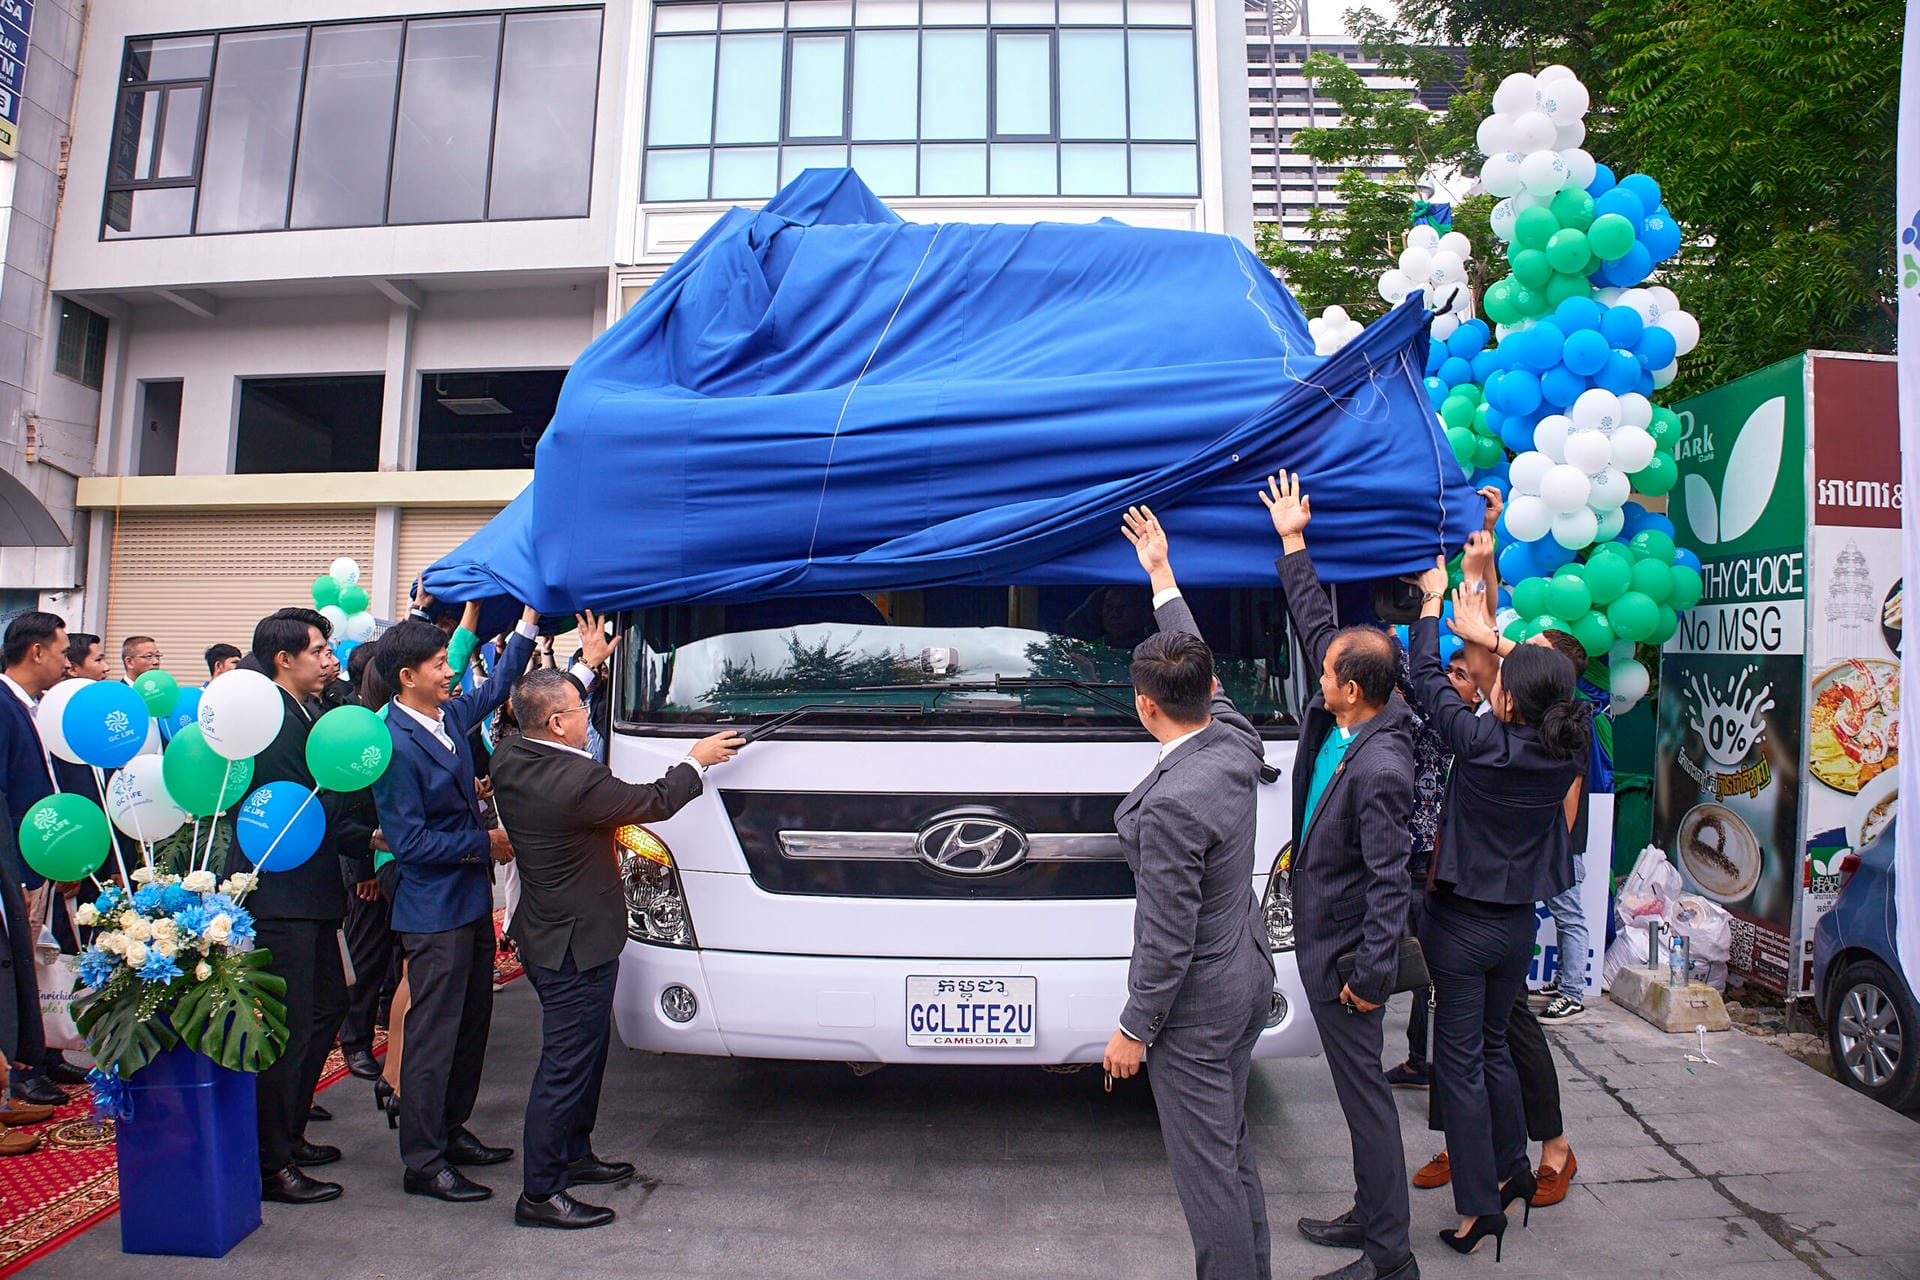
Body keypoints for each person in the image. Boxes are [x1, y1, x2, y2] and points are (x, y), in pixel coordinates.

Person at [491, 654, 743, 1229]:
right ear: (558, 724)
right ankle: (541, 1192)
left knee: (585, 1053)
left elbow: (548, 708)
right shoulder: (579, 780)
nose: (588, 716)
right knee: (564, 1065)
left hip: (546, 932)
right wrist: (696, 759)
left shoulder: (510, 755)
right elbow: (653, 801)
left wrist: (586, 667)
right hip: (575, 945)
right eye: (581, 709)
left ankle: (573, 1154)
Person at [1100, 505, 1276, 1280]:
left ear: (1145, 706)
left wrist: (1133, 1030)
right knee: (1229, 1154)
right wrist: (1162, 578)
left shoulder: (1173, 802)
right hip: (1243, 977)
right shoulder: (1234, 740)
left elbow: (1166, 937)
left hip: (1198, 1008)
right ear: (1208, 689)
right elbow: (1201, 671)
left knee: (1209, 1180)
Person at [1407, 562, 1590, 1262]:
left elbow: (1426, 677)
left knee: (1459, 1064)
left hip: (1459, 925)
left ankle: (1479, 1208)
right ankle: (1513, 1168)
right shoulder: (1565, 745)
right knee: (1491, 1050)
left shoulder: (1483, 743)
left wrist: (1432, 608)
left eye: (1503, 680)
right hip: (1516, 927)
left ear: (1509, 699)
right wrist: (1494, 640)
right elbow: (1558, 687)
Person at [1262, 474, 1419, 1280]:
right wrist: (1294, 540)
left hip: (1349, 964)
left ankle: (1391, 1259)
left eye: (1325, 675)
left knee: (1366, 1103)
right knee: (1361, 1103)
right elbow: (1319, 626)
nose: (1316, 678)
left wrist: (1367, 977)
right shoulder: (1351, 711)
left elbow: (1391, 883)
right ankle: (1371, 1214)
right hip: (1330, 948)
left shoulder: (1383, 766)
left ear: (1350, 691)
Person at [371, 607, 538, 1203]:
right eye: (440, 664)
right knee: (432, 1036)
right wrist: (484, 843)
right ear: (406, 676)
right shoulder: (393, 744)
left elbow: (498, 686)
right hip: (432, 909)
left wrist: (528, 623)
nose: (451, 673)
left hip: (468, 901)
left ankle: (450, 1127)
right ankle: (423, 1160)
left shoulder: (447, 715)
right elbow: (410, 843)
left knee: (471, 1026)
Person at [227, 607, 351, 1205]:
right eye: (318, 650)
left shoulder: (309, 711)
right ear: (284, 660)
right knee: (289, 1026)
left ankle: (290, 1133)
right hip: (281, 895)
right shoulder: (272, 724)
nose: (330, 659)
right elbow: (304, 808)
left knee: (327, 1007)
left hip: (311, 892)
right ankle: (270, 1162)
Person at [0, 612, 82, 1106]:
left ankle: (44, 1051)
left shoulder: (32, 707)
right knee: (16, 970)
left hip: (43, 860)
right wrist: (16, 872)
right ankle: (19, 1068)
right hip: (18, 867)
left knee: (42, 963)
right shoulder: (4, 706)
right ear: (36, 652)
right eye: (61, 651)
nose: (66, 662)